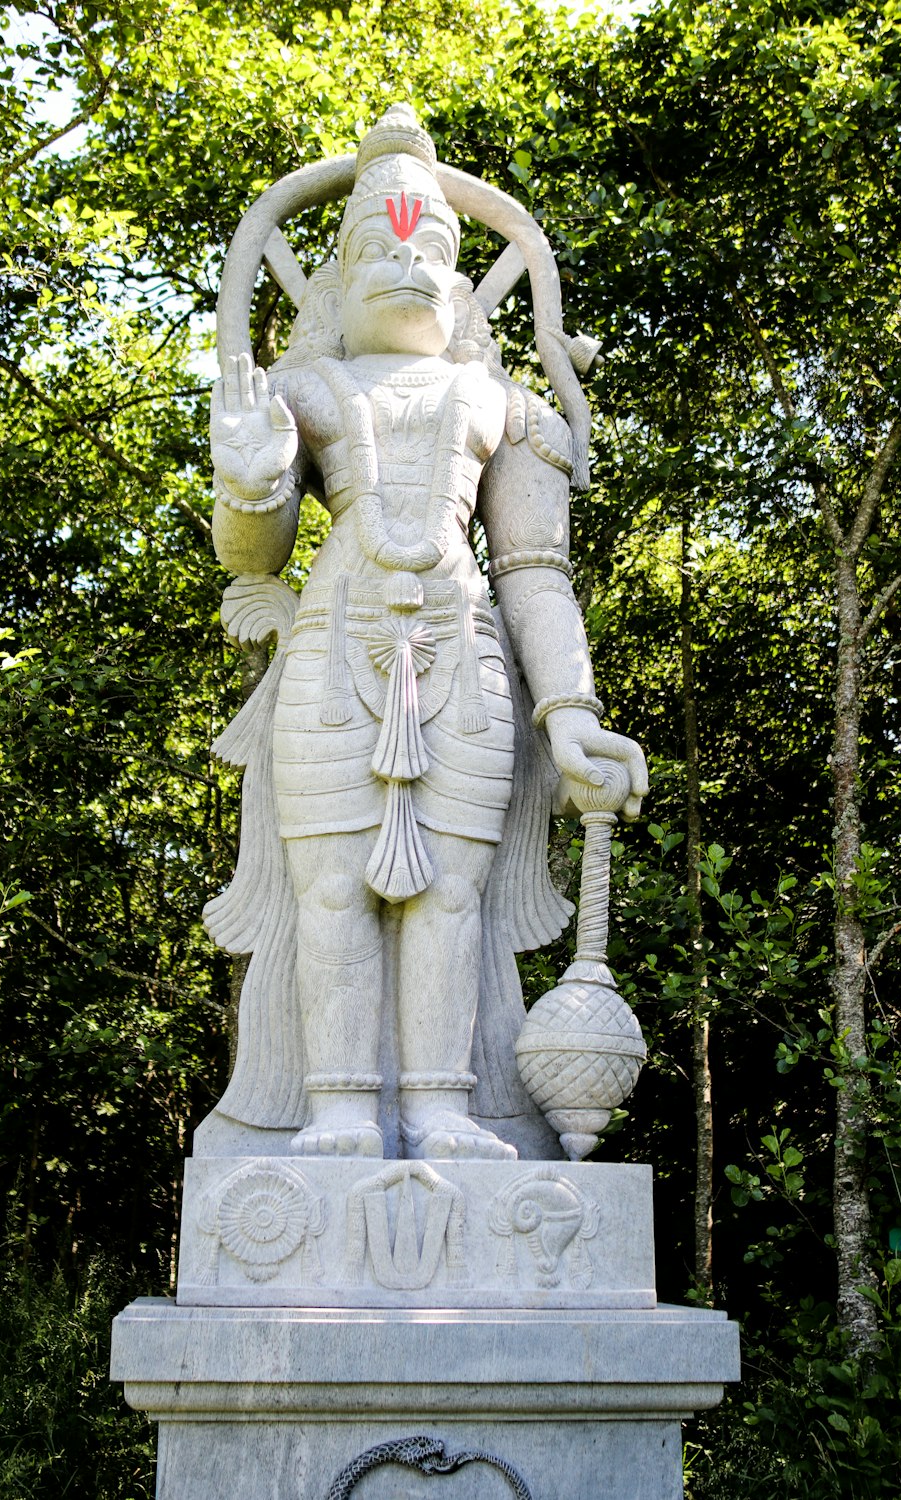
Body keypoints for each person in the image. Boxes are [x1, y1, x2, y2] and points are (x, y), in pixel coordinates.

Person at [204, 105, 646, 1162]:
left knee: (451, 889)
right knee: (329, 888)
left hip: (467, 656)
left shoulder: (503, 406)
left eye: (430, 250)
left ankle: (445, 1109)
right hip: (333, 652)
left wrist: (572, 711)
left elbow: (535, 572)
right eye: (376, 248)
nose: (405, 267)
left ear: (457, 290)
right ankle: (342, 1111)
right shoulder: (300, 389)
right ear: (341, 275)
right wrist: (249, 473)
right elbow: (250, 555)